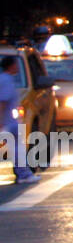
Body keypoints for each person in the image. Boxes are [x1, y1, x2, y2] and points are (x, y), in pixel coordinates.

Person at [0, 56, 37, 184]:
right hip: (8, 122)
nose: (17, 67)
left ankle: (23, 173)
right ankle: (24, 174)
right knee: (17, 149)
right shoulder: (6, 80)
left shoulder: (6, 79)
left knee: (17, 148)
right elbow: (3, 102)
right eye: (15, 64)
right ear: (10, 66)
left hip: (9, 121)